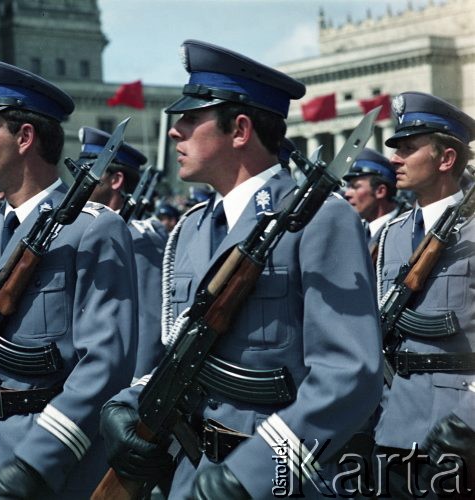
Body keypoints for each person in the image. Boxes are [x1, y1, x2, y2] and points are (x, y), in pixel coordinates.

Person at [98, 39, 383, 499]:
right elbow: (181, 351)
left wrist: (252, 473)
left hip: (272, 478)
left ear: (240, 129)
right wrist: (128, 404)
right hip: (191, 471)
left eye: (191, 119)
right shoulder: (191, 228)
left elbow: (351, 375)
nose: (176, 132)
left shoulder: (320, 220)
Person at [0, 59, 138, 499]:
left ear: (24, 137)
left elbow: (104, 365)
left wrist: (36, 462)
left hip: (57, 464)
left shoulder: (93, 229)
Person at [373, 91, 475, 498]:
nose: (394, 159)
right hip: (393, 426)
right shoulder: (392, 234)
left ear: (446, 159)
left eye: (408, 149)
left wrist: (467, 420)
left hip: (458, 432)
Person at [77, 126, 168, 378]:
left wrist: (131, 395)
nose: (78, 182)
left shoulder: (136, 240)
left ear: (116, 180)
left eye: (88, 174)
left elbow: (147, 325)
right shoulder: (90, 232)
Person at [344, 148, 403, 248]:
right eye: (349, 187)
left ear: (380, 191)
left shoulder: (403, 230)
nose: (347, 194)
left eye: (356, 187)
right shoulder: (357, 232)